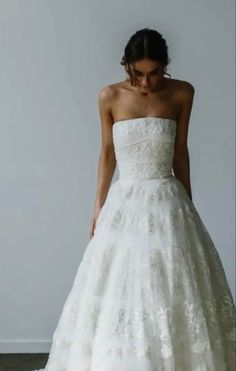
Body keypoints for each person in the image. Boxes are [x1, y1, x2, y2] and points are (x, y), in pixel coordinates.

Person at [33, 28, 235, 371]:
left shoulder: (182, 93)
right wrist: (98, 206)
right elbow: (107, 152)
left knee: (171, 287)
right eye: (138, 73)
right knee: (120, 288)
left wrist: (188, 205)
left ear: (165, 66)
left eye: (155, 72)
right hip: (124, 201)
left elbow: (181, 153)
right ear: (126, 66)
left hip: (168, 199)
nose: (147, 81)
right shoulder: (109, 96)